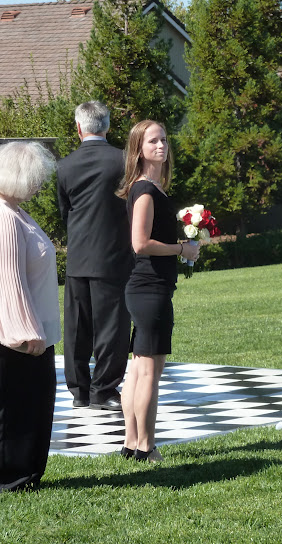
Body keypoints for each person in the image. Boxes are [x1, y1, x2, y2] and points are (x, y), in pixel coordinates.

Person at [0, 141, 60, 492]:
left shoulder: (11, 211)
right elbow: (6, 281)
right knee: (11, 407)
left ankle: (27, 474)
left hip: (24, 332)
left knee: (31, 404)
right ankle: (7, 479)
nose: (39, 185)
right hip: (8, 336)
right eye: (35, 178)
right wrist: (24, 332)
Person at [116, 119, 200, 462]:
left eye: (164, 139)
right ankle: (146, 447)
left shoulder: (152, 187)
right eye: (153, 141)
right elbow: (140, 243)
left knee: (138, 370)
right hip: (149, 288)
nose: (161, 145)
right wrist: (182, 249)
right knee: (149, 372)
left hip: (148, 288)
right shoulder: (146, 191)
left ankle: (131, 444)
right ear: (139, 149)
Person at [57, 101, 133, 411]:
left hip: (78, 256)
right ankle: (104, 389)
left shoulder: (65, 165)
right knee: (112, 327)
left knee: (77, 327)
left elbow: (65, 211)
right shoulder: (124, 161)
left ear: (78, 127)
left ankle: (79, 391)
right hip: (113, 255)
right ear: (108, 126)